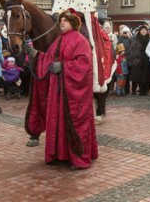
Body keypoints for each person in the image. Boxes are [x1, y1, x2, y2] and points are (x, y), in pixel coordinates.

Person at [24, 9, 98, 169]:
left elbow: (84, 65)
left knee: (76, 123)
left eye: (65, 20)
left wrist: (63, 67)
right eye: (61, 20)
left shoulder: (80, 41)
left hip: (72, 96)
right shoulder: (58, 40)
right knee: (57, 122)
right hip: (57, 93)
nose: (62, 22)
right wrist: (35, 55)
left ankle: (78, 158)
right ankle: (59, 154)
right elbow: (48, 60)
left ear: (73, 23)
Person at [52, 0, 113, 93]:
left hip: (80, 23)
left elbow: (87, 12)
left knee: (88, 42)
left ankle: (88, 67)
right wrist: (56, 15)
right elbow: (56, 8)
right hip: (62, 23)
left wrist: (73, 15)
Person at [128, 25, 150, 96]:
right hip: (137, 58)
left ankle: (144, 90)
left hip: (147, 58)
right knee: (137, 75)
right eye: (142, 30)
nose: (143, 31)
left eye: (145, 30)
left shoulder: (149, 38)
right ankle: (137, 90)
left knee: (145, 75)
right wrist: (135, 58)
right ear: (139, 31)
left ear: (147, 31)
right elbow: (132, 49)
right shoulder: (135, 38)